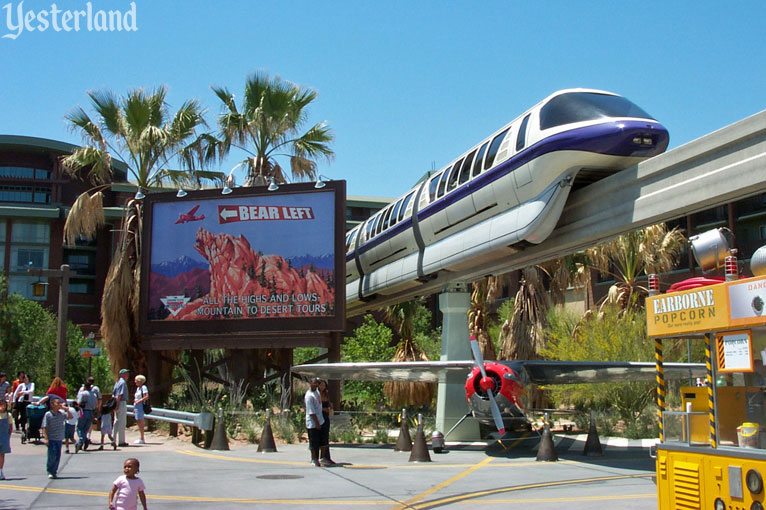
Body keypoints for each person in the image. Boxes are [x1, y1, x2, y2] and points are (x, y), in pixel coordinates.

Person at [42, 397, 72, 479]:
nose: (59, 405)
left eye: (60, 403)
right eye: (57, 403)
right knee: (52, 455)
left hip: (59, 438)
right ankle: (50, 470)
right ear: (52, 405)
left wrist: (67, 409)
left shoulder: (61, 414)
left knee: (57, 456)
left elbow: (70, 417)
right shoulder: (48, 414)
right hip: (52, 438)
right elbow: (45, 426)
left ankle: (54, 471)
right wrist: (46, 438)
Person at [304, 377, 324, 467]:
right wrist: (317, 423)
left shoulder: (317, 392)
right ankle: (313, 458)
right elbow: (311, 412)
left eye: (317, 384)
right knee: (313, 442)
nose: (315, 385)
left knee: (319, 442)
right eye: (314, 384)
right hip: (313, 423)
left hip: (320, 420)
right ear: (310, 384)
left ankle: (319, 458)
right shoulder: (309, 396)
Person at [75, 380, 98, 452]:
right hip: (91, 412)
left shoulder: (83, 394)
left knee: (79, 427)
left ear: (85, 387)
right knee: (86, 428)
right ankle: (84, 440)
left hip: (84, 412)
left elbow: (79, 402)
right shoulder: (94, 395)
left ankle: (82, 440)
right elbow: (95, 405)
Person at [318, 379, 336, 466]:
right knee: (319, 437)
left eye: (324, 385)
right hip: (318, 416)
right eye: (321, 385)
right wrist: (322, 409)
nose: (322, 387)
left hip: (326, 416)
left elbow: (328, 403)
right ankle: (318, 457)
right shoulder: (316, 395)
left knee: (326, 436)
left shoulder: (326, 394)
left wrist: (330, 405)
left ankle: (326, 456)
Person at [112, 369, 130, 447]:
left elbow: (114, 394)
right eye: (126, 373)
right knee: (122, 422)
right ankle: (121, 441)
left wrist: (114, 405)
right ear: (122, 374)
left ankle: (113, 439)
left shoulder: (117, 382)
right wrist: (117, 404)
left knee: (116, 422)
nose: (127, 375)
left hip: (117, 402)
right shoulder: (122, 383)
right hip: (121, 403)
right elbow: (119, 395)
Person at [132, 375, 149, 445]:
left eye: (136, 380)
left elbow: (146, 396)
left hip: (140, 405)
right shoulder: (138, 388)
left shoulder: (143, 387)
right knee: (138, 421)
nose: (135, 382)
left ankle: (142, 438)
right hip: (136, 405)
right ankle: (141, 437)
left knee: (140, 421)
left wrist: (139, 401)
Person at [0, 398, 11, 480]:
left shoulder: (8, 415)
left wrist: (8, 436)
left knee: (2, 454)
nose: (2, 407)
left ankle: (0, 471)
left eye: (4, 405)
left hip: (4, 437)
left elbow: (10, 427)